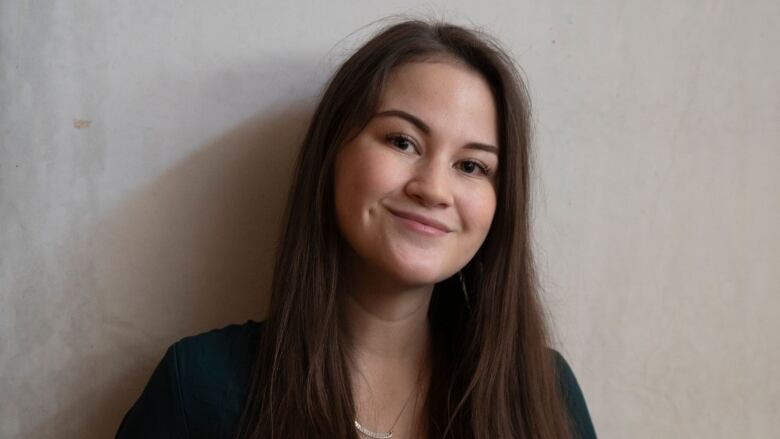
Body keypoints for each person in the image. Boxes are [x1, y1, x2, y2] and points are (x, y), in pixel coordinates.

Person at [116, 18, 597, 439]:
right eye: (403, 141)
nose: (433, 189)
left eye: (472, 166)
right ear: (332, 155)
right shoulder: (199, 386)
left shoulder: (544, 393)